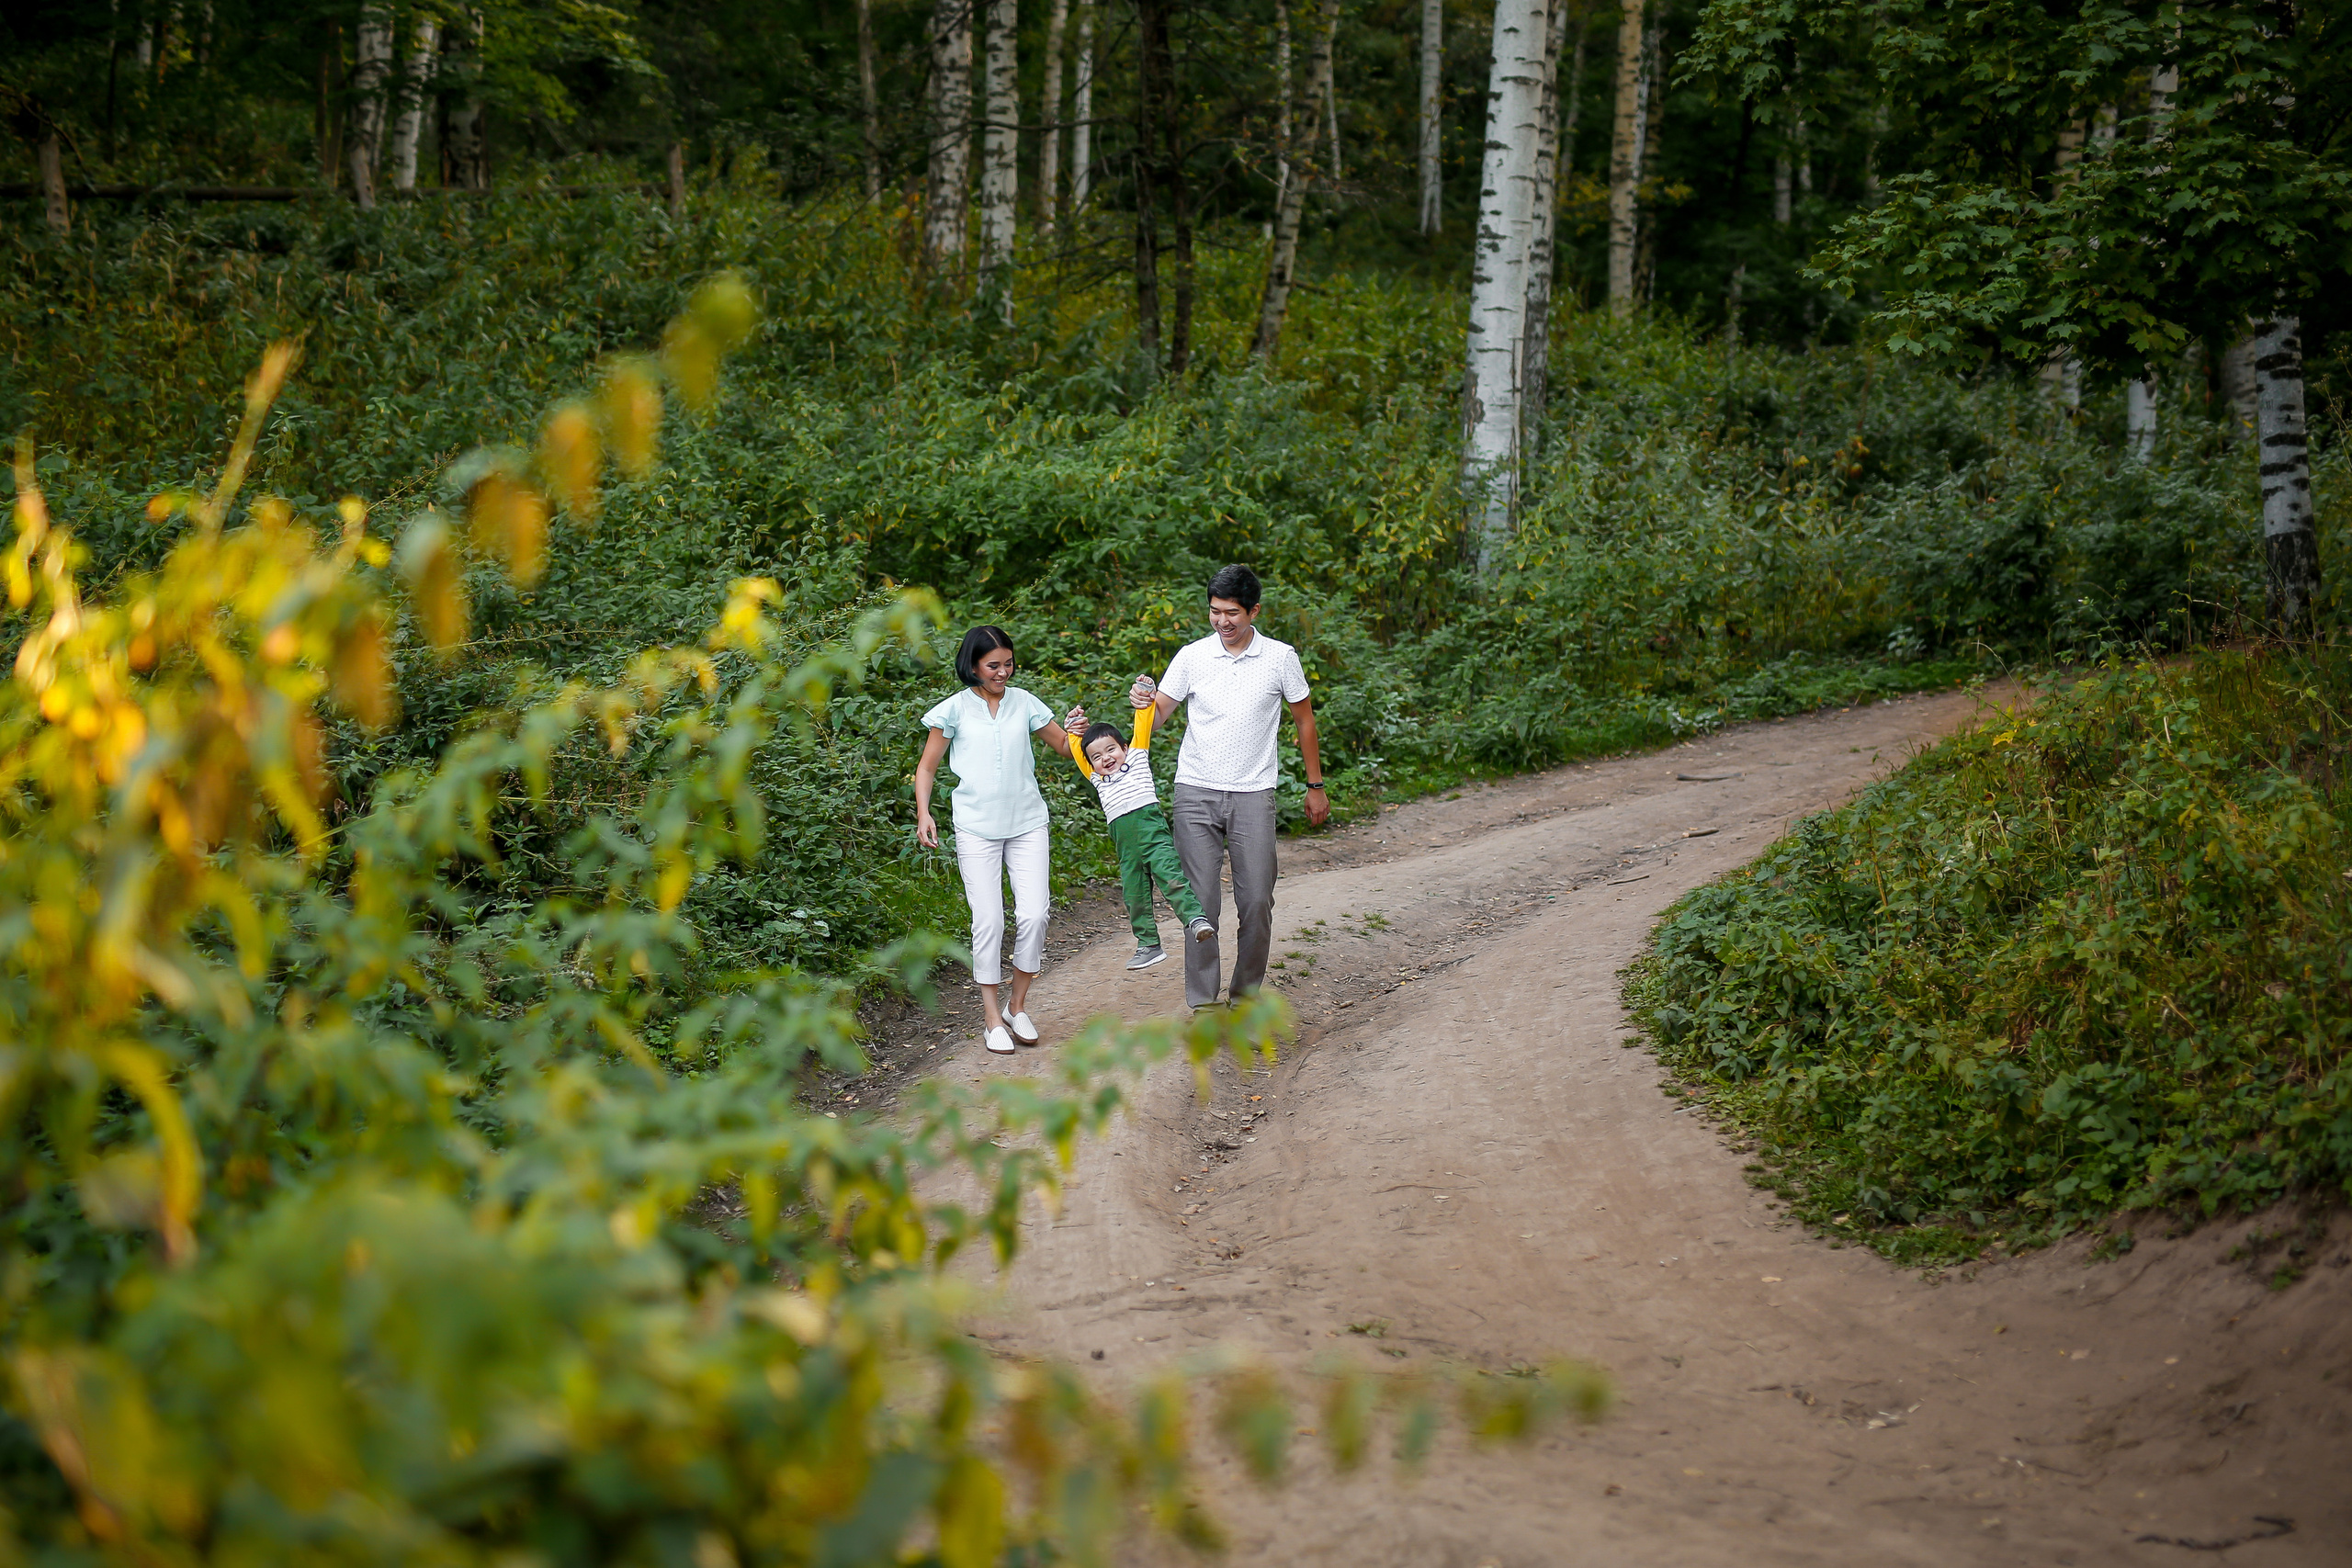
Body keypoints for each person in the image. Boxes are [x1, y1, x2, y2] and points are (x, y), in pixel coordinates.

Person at [1131, 564, 1329, 1010]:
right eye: (1215, 612)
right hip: (1195, 792)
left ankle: (1244, 996)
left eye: (1232, 613)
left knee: (1257, 900)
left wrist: (1315, 785)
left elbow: (1304, 720)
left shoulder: (1281, 658)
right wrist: (1144, 704)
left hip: (1254, 794)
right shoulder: (1192, 657)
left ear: (1254, 610)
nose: (1223, 622)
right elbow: (1159, 715)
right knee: (1200, 905)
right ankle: (1203, 1003)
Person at [913, 626, 1079, 1055]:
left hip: (1027, 822)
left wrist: (1078, 733)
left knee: (1035, 914)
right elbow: (927, 768)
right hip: (975, 827)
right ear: (972, 666)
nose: (1003, 672)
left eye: (1008, 663)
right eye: (993, 665)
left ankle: (1016, 1007)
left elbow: (1062, 745)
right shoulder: (952, 711)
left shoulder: (1024, 702)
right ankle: (990, 1019)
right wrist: (924, 813)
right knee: (989, 921)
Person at [1065, 679, 1217, 971]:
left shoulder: (1136, 757)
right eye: (1096, 756)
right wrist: (1073, 728)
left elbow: (1142, 725)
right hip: (1125, 843)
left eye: (1110, 750)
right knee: (1134, 894)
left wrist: (1146, 697)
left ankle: (1195, 919)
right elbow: (1077, 751)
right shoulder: (1098, 778)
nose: (1105, 758)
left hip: (1150, 830)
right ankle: (1148, 944)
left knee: (1170, 876)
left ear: (1124, 747)